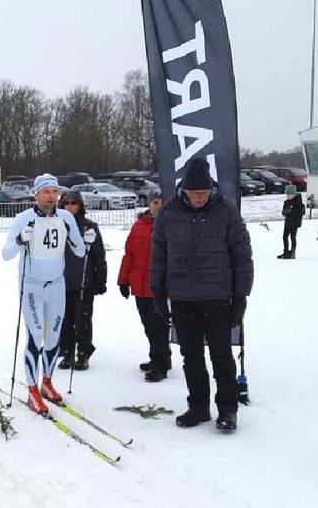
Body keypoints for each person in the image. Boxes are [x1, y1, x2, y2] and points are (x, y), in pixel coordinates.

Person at [150, 156, 253, 433]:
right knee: (191, 355)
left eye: (204, 193)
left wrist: (241, 296)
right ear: (185, 190)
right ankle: (198, 407)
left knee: (221, 356)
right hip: (182, 297)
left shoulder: (226, 211)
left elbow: (242, 255)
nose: (199, 198)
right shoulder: (169, 212)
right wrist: (157, 291)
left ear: (211, 189)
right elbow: (158, 254)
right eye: (195, 193)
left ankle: (227, 410)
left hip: (216, 296)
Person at [2, 173, 90, 413]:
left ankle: (47, 382)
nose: (51, 196)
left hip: (56, 285)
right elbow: (6, 253)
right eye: (46, 192)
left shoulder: (66, 218)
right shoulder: (23, 218)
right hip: (31, 285)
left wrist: (85, 240)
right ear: (36, 194)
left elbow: (80, 251)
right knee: (35, 335)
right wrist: (20, 240)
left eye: (54, 192)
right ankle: (31, 388)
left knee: (53, 337)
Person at [117, 189, 171, 381]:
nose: (158, 206)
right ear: (149, 204)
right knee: (148, 326)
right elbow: (129, 255)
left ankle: (161, 363)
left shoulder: (171, 225)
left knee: (159, 327)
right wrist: (123, 280)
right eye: (155, 202)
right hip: (140, 286)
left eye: (161, 202)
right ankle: (157, 357)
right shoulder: (139, 225)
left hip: (161, 287)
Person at [58, 190, 107, 370]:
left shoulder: (89, 227)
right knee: (64, 319)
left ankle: (84, 352)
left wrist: (101, 279)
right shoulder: (57, 225)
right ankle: (67, 351)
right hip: (61, 281)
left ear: (80, 205)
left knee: (83, 319)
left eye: (73, 203)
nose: (70, 206)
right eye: (66, 203)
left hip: (84, 281)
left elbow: (99, 255)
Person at [279, 184, 305, 259]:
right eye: (287, 195)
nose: (287, 196)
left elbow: (301, 213)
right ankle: (286, 252)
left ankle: (293, 252)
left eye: (289, 195)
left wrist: (291, 211)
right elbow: (283, 212)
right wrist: (286, 211)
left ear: (293, 194)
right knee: (284, 237)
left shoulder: (299, 202)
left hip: (295, 223)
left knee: (293, 237)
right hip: (288, 222)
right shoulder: (286, 202)